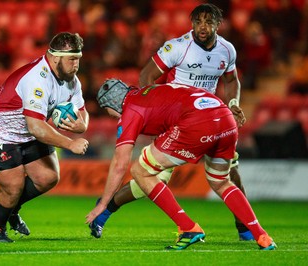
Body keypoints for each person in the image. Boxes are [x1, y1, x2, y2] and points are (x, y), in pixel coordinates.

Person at [89, 3, 253, 241]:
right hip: (177, 121)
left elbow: (231, 81)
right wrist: (156, 111)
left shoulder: (227, 50)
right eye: (197, 22)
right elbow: (146, 76)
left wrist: (234, 103)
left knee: (231, 173)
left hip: (209, 117)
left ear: (219, 24)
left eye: (208, 22)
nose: (202, 27)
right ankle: (104, 212)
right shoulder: (176, 47)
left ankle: (245, 229)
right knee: (152, 179)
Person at [85, 79, 276, 250]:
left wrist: (102, 204)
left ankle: (188, 228)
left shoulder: (130, 110)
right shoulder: (149, 91)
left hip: (197, 123)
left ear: (112, 103)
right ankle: (262, 236)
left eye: (107, 110)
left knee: (140, 171)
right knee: (221, 181)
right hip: (225, 118)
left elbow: (120, 163)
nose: (110, 115)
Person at [0, 32, 90, 243]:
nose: (76, 64)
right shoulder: (37, 79)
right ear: (56, 57)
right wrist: (70, 143)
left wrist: (82, 125)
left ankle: (12, 209)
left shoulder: (71, 80)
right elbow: (37, 127)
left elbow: (82, 110)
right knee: (13, 188)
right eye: (72, 59)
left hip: (27, 129)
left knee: (48, 177)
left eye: (78, 58)